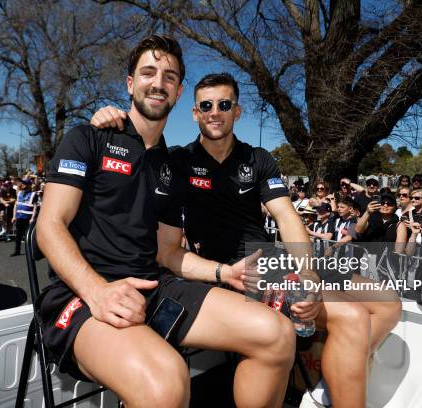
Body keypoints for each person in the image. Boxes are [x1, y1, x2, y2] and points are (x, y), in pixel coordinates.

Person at [92, 72, 401, 408]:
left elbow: (286, 216)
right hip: (234, 270)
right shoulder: (178, 161)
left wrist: (308, 274)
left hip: (274, 259)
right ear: (194, 113)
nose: (215, 111)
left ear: (236, 112)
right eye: (205, 105)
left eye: (224, 104)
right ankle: (334, 380)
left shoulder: (258, 158)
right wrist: (109, 117)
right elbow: (140, 141)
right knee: (352, 317)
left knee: (388, 302)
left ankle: (333, 374)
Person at [37, 36, 296, 408]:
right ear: (130, 83)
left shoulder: (173, 167)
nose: (158, 82)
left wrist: (225, 273)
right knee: (166, 383)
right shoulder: (87, 138)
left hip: (155, 286)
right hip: (81, 295)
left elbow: (168, 252)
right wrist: (97, 291)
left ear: (177, 94)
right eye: (148, 72)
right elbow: (49, 226)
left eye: (170, 77)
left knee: (277, 334)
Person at [11, 179, 36, 256]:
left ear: (28, 185)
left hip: (27, 218)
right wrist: (14, 216)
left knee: (28, 236)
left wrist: (32, 218)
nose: (22, 185)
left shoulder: (33, 194)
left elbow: (35, 207)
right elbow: (16, 205)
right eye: (22, 183)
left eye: (24, 183)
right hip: (19, 217)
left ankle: (30, 251)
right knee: (18, 235)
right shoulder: (19, 193)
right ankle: (17, 251)